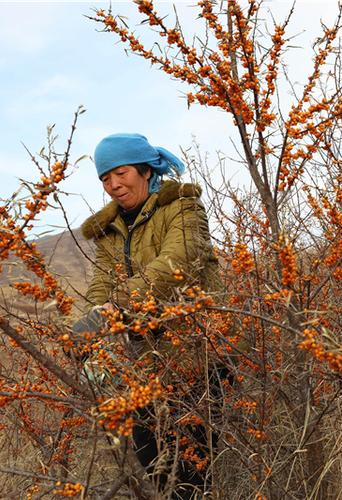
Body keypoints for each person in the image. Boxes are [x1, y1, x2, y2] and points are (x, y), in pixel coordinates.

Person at [78, 133, 224, 498]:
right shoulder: (110, 231)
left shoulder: (182, 208)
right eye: (105, 178)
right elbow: (101, 282)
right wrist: (92, 318)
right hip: (143, 364)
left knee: (192, 472)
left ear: (145, 170)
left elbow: (178, 259)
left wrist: (116, 306)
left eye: (121, 173)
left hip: (195, 354)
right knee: (155, 465)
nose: (113, 185)